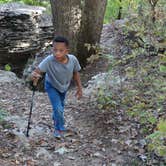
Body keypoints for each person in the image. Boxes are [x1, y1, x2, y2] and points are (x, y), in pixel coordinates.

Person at [31, 36, 83, 138]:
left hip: (64, 87)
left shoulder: (73, 60)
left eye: (61, 50)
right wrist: (35, 76)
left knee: (60, 108)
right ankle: (59, 129)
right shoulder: (49, 60)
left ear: (67, 51)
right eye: (55, 50)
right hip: (51, 86)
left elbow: (76, 73)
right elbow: (37, 71)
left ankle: (56, 119)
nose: (57, 53)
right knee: (58, 108)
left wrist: (79, 88)